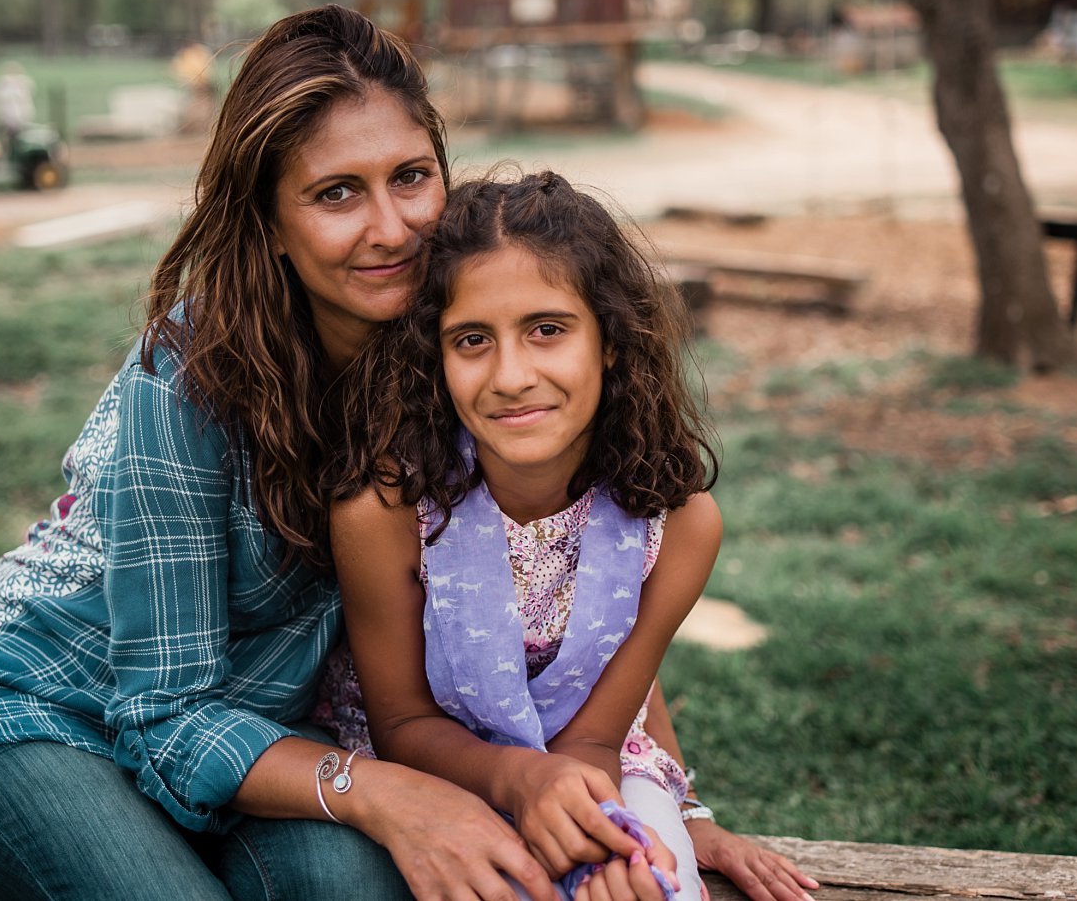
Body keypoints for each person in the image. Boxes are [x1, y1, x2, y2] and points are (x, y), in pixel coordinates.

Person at [0, 3, 812, 901]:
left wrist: (679, 814)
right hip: (51, 714)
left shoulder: (462, 346)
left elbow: (577, 592)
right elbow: (163, 716)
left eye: (410, 177)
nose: (391, 229)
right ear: (269, 220)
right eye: (336, 193)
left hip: (276, 743)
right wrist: (396, 797)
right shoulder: (185, 382)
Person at [326, 171, 816, 901]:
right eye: (471, 340)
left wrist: (609, 834)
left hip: (594, 762)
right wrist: (526, 783)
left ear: (611, 341)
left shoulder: (680, 526)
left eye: (547, 330)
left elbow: (597, 737)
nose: (512, 375)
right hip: (429, 770)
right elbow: (401, 721)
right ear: (437, 358)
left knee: (652, 884)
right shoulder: (387, 511)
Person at [0, 60, 36, 147]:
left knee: (20, 137)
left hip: (20, 117)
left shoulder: (22, 83)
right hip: (7, 118)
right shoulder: (3, 85)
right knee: (8, 139)